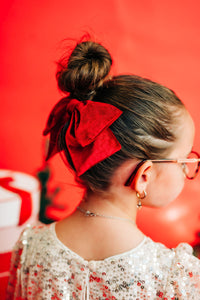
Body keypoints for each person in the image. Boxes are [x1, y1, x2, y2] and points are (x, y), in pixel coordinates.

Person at [7, 39, 200, 299]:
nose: (190, 169)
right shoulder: (176, 275)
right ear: (144, 176)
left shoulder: (29, 248)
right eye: (185, 161)